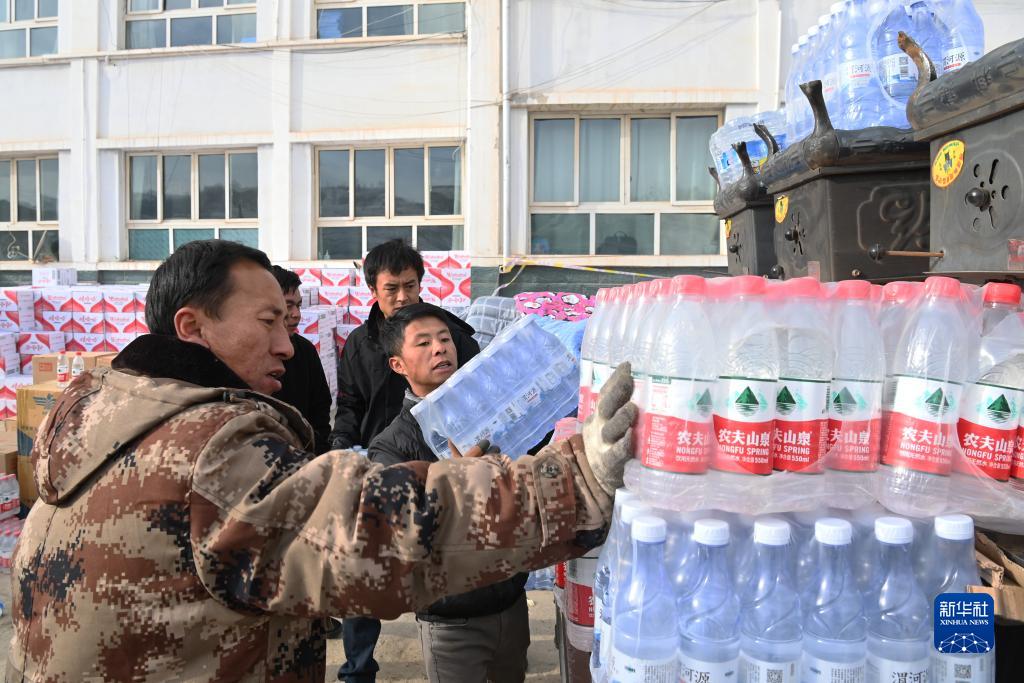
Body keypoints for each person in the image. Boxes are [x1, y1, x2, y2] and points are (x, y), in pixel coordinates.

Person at [9, 239, 637, 682]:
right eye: (267, 321)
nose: (288, 343)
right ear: (193, 328)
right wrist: (575, 478)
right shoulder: (204, 444)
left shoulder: (106, 410)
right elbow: (374, 532)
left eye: (290, 319)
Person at [327, 239, 480, 681]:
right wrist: (341, 447)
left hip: (447, 466)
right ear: (372, 289)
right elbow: (351, 404)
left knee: (457, 564)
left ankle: (487, 640)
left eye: (410, 286)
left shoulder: (452, 336)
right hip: (384, 466)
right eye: (390, 288)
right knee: (363, 571)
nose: (401, 297)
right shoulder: (359, 344)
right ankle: (358, 668)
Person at [371, 303, 531, 682]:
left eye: (444, 339)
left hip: (511, 601)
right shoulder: (392, 445)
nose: (440, 348)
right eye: (423, 343)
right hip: (452, 619)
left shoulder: (493, 417)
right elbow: (401, 535)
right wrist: (453, 485)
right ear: (398, 365)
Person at [270, 265, 332, 454]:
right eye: (288, 306)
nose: (296, 314)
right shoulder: (247, 354)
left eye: (298, 305)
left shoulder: (305, 351)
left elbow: (320, 409)